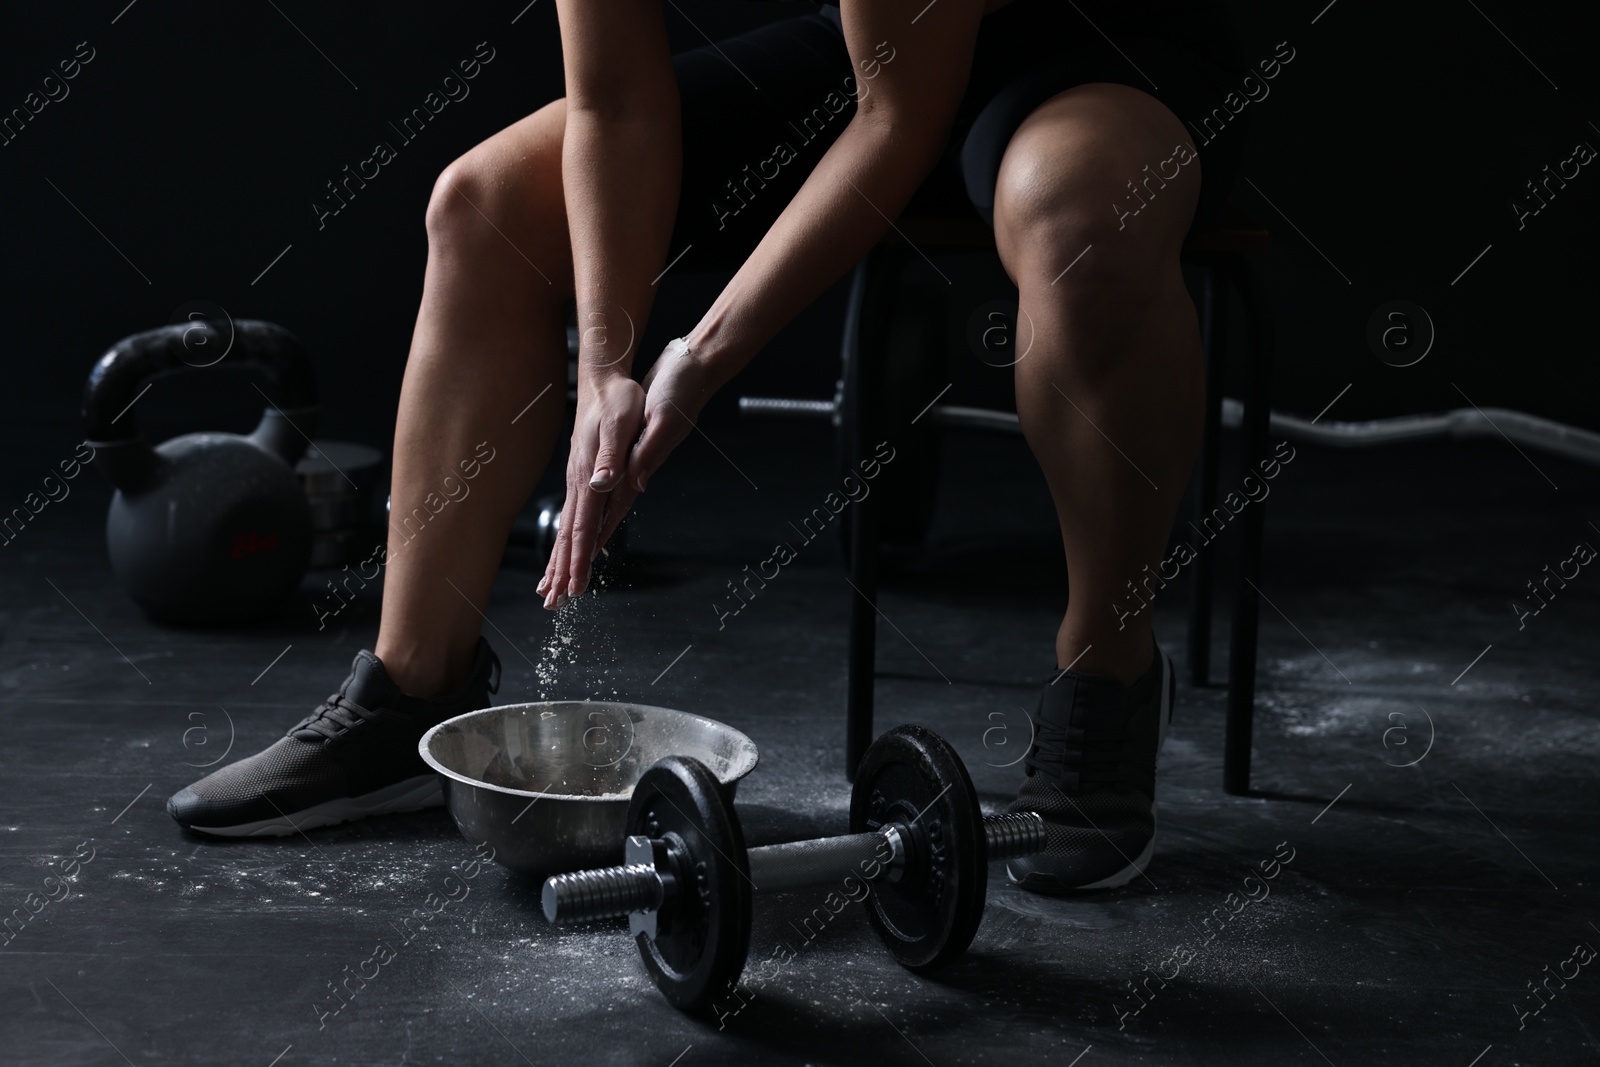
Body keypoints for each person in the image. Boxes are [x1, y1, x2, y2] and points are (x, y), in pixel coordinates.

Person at [168, 0, 1250, 892]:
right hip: (868, 49)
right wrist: (606, 363)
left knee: (1082, 223)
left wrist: (694, 358)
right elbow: (618, 100)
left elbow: (900, 119)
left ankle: (1107, 671)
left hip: (1081, 44)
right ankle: (411, 687)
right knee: (482, 205)